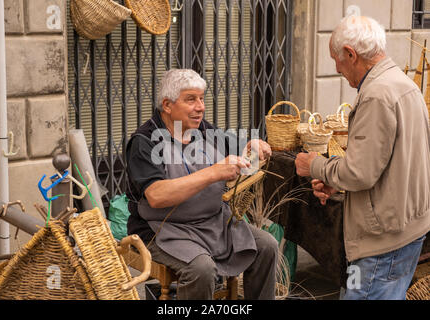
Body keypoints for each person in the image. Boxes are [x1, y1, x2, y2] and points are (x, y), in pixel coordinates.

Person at [295, 15, 430, 300]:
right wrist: (337, 180)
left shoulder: (376, 95)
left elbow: (360, 173)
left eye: (336, 59)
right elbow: (388, 166)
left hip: (384, 241)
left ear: (351, 55)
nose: (337, 68)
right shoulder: (403, 84)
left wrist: (315, 165)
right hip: (407, 230)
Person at [125, 68, 278, 300]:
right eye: (191, 100)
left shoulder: (202, 129)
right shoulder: (144, 141)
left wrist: (253, 146)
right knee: (201, 269)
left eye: (201, 98)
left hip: (213, 222)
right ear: (167, 105)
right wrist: (214, 172)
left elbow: (239, 151)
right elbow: (156, 196)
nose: (200, 107)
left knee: (267, 246)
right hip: (164, 229)